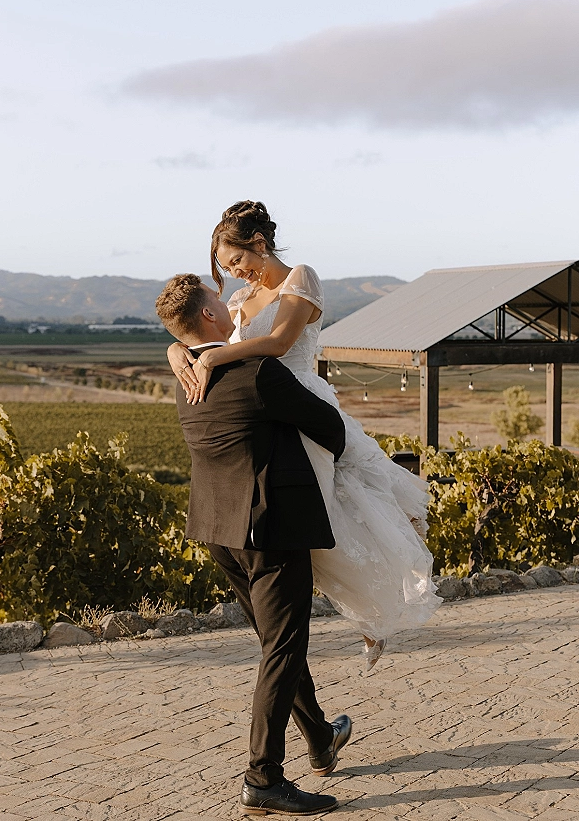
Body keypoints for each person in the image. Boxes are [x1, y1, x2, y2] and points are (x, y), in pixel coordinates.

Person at [168, 201, 442, 671]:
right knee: (315, 522)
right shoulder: (235, 303)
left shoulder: (301, 279)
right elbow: (209, 341)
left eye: (237, 262)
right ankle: (365, 613)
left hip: (304, 401)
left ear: (258, 244)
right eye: (227, 268)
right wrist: (178, 350)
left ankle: (377, 607)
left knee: (345, 502)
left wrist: (213, 359)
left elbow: (276, 346)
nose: (235, 275)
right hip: (269, 413)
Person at [156, 273, 352, 817]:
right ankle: (263, 777)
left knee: (275, 642)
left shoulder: (184, 373)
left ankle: (318, 736)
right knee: (283, 649)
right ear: (212, 318)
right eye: (221, 298)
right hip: (270, 527)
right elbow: (329, 428)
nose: (231, 304)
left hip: (218, 531)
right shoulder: (258, 371)